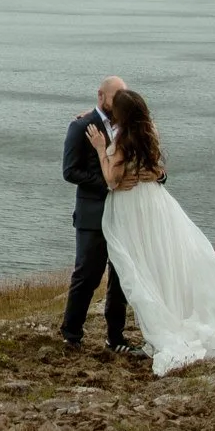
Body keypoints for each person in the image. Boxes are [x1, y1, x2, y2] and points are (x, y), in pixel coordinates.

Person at [86, 88, 215, 376]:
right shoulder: (149, 134)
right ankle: (172, 314)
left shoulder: (123, 141)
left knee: (136, 266)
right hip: (154, 204)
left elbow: (113, 181)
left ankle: (155, 329)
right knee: (161, 262)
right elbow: (156, 170)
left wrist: (102, 149)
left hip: (131, 207)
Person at [60, 75, 137, 352]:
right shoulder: (81, 126)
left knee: (120, 278)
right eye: (114, 97)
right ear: (101, 96)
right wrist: (108, 182)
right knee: (87, 275)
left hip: (124, 215)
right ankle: (71, 334)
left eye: (122, 98)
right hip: (92, 214)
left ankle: (115, 337)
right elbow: (70, 171)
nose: (118, 103)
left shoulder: (129, 126)